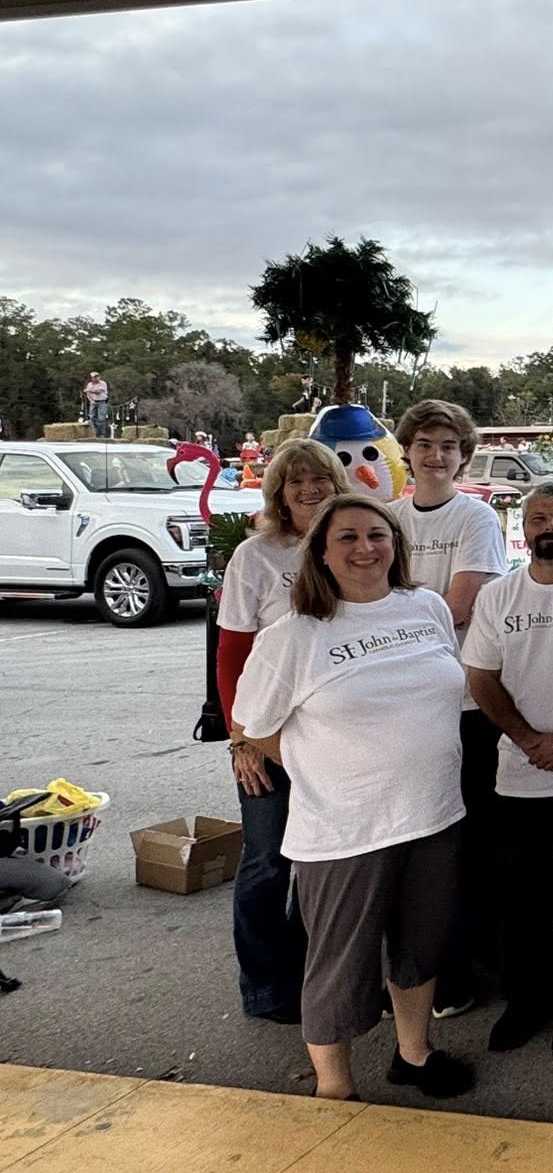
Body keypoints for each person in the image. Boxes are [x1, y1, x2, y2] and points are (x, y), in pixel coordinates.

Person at [230, 493, 474, 1103]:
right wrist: (316, 765)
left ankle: (414, 1054)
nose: (366, 548)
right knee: (339, 962)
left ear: (396, 544)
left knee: (420, 948)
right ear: (321, 552)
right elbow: (252, 724)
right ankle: (335, 1087)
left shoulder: (427, 608)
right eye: (348, 537)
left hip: (433, 814)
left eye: (377, 535)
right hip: (345, 828)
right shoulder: (294, 635)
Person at [461, 481, 553, 1062]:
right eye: (539, 518)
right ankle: (526, 1002)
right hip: (518, 777)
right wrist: (527, 738)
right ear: (523, 529)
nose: (551, 527)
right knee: (521, 901)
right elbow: (481, 677)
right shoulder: (499, 596)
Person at [215, 439, 349, 1025]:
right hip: (266, 736)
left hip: (335, 737)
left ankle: (312, 973)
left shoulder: (351, 545)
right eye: (296, 481)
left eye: (320, 479)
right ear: (279, 493)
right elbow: (230, 655)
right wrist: (241, 739)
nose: (309, 490)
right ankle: (266, 985)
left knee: (328, 863)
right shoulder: (256, 556)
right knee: (268, 860)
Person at [390, 399, 509, 1019]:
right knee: (410, 839)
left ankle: (464, 966)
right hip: (398, 707)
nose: (436, 456)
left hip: (462, 702)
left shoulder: (475, 517)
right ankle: (413, 973)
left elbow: (459, 607)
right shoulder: (386, 518)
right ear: (407, 451)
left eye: (448, 446)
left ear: (463, 456)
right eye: (425, 444)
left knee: (465, 840)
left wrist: (389, 623)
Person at [83, 372, 109, 437]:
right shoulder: (89, 384)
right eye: (94, 377)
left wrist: (89, 390)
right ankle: (93, 433)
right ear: (92, 378)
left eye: (97, 376)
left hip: (102, 402)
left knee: (101, 418)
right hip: (93, 402)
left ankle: (101, 434)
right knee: (92, 417)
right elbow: (88, 394)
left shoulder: (103, 383)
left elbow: (99, 391)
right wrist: (91, 400)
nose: (96, 378)